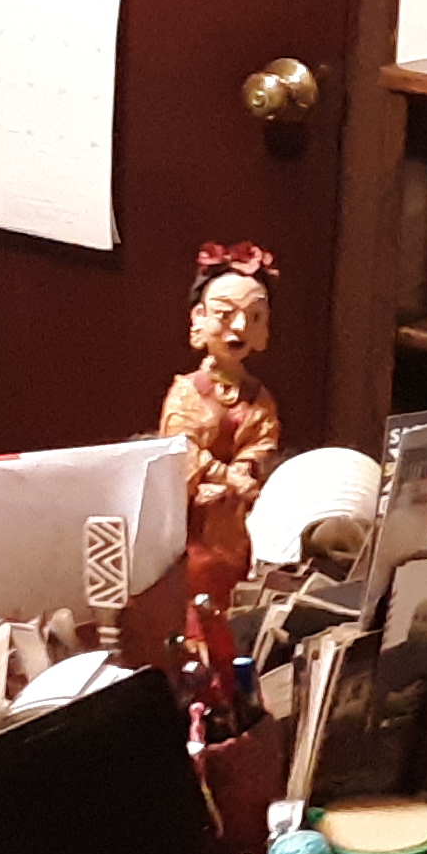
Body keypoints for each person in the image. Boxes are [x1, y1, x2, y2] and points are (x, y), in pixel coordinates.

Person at [160, 241, 282, 604]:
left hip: (236, 519)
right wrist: (224, 476)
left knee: (236, 584)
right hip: (193, 519)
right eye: (226, 314)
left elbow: (263, 444)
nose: (240, 327)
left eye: (254, 317)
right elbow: (181, 450)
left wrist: (245, 471)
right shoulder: (187, 392)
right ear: (199, 317)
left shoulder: (259, 396)